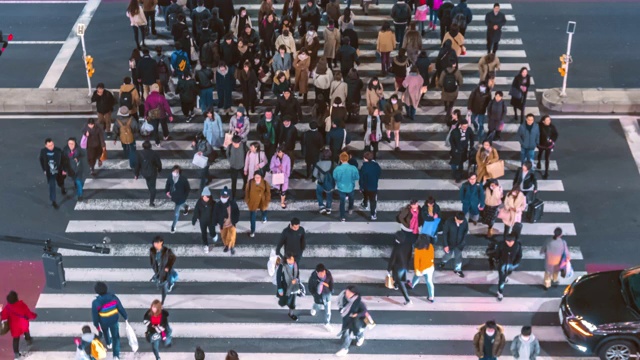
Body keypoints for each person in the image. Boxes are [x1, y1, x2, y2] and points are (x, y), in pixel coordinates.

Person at [91, 282, 128, 360]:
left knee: (105, 332)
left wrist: (97, 326)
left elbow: (95, 316)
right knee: (116, 337)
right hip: (114, 320)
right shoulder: (113, 298)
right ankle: (116, 355)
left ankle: (108, 343)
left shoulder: (96, 303)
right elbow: (120, 308)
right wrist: (125, 317)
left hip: (103, 321)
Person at [1, 291, 37, 360]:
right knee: (26, 331)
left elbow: (4, 316)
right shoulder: (22, 305)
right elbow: (28, 313)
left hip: (14, 326)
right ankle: (28, 340)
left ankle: (16, 353)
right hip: (23, 323)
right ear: (16, 298)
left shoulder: (7, 308)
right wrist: (34, 316)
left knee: (16, 339)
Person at [335, 285, 368, 357]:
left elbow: (364, 311)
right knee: (346, 333)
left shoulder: (358, 302)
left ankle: (360, 337)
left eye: (349, 293)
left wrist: (357, 315)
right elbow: (341, 306)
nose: (347, 294)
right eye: (347, 291)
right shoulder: (343, 298)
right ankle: (345, 348)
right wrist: (341, 310)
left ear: (354, 294)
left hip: (355, 321)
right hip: (347, 320)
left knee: (357, 332)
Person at [438, 212, 468, 277]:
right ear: (455, 218)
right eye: (459, 221)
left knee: (458, 257)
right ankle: (443, 262)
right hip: (450, 243)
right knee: (448, 255)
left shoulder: (464, 221)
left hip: (459, 244)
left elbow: (465, 231)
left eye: (461, 221)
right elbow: (445, 234)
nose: (460, 222)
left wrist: (462, 241)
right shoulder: (448, 222)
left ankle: (457, 269)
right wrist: (446, 245)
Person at [495, 232, 523, 301]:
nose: (510, 243)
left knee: (508, 272)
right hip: (502, 264)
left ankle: (506, 276)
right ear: (505, 241)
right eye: (508, 241)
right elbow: (497, 254)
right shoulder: (501, 245)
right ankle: (500, 292)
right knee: (501, 279)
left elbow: (519, 255)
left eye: (511, 241)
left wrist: (516, 262)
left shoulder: (517, 246)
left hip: (511, 264)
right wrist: (497, 260)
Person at [39, 138, 66, 209]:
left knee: (60, 181)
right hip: (50, 171)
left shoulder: (58, 150)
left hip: (58, 170)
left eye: (52, 145)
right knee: (52, 185)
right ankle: (53, 200)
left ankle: (62, 186)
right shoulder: (43, 151)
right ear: (46, 146)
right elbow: (41, 160)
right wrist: (44, 170)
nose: (51, 147)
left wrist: (64, 169)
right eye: (49, 146)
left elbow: (63, 160)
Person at [212, 186, 240, 254]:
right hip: (223, 224)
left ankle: (232, 246)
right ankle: (227, 245)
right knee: (224, 236)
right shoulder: (217, 205)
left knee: (232, 236)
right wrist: (215, 222)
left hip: (231, 223)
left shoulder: (232, 203)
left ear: (228, 197)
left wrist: (235, 220)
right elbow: (214, 214)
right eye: (223, 196)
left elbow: (237, 212)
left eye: (225, 197)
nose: (224, 198)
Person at [149, 236, 177, 304]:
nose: (155, 244)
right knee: (160, 280)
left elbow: (173, 258)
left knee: (164, 285)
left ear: (161, 243)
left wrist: (168, 266)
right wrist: (153, 266)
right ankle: (168, 283)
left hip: (165, 270)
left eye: (157, 243)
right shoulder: (152, 250)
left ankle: (163, 301)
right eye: (154, 243)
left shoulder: (167, 251)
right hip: (158, 269)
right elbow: (152, 259)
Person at [388, 231, 413, 305]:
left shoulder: (397, 248)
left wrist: (388, 269)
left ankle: (407, 299)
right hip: (405, 265)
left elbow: (392, 259)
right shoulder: (409, 244)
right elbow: (409, 256)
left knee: (400, 281)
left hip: (398, 267)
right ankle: (396, 284)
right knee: (402, 277)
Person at [333, 151, 359, 222]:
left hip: (341, 187)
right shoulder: (353, 168)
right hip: (350, 186)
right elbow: (357, 177)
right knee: (351, 198)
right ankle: (350, 208)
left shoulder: (337, 169)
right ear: (348, 159)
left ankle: (342, 217)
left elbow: (335, 177)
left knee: (342, 202)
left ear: (341, 159)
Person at [135, 140, 162, 207]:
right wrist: (159, 170)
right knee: (153, 187)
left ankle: (150, 190)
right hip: (152, 172)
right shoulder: (154, 153)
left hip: (144, 172)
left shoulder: (139, 153)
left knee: (148, 182)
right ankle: (151, 202)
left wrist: (136, 174)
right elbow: (158, 163)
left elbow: (137, 165)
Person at [408, 234, 435, 302]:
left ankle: (412, 285)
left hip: (421, 269)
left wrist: (417, 270)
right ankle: (431, 297)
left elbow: (416, 261)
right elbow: (432, 256)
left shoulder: (418, 249)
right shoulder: (431, 246)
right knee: (429, 282)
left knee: (416, 276)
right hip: (430, 267)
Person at [165, 165, 190, 233]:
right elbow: (168, 184)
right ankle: (186, 207)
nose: (174, 173)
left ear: (179, 172)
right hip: (174, 196)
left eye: (176, 171)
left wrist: (184, 197)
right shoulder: (170, 176)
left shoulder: (183, 179)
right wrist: (167, 191)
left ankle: (173, 226)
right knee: (181, 204)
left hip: (180, 197)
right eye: (174, 171)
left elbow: (187, 189)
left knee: (176, 213)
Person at [62, 137, 88, 202]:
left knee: (79, 181)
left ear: (75, 144)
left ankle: (80, 195)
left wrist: (78, 158)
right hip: (70, 169)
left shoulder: (78, 150)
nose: (70, 145)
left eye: (72, 144)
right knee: (75, 180)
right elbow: (63, 160)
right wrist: (64, 170)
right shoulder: (65, 150)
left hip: (78, 168)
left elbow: (83, 154)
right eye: (69, 143)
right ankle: (75, 184)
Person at [276, 252, 302, 321]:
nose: (291, 261)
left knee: (293, 301)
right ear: (286, 260)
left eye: (292, 259)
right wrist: (280, 289)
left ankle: (291, 313)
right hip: (285, 286)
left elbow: (298, 274)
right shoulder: (282, 267)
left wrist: (297, 281)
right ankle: (286, 303)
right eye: (289, 260)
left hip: (294, 287)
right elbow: (278, 278)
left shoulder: (296, 265)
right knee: (285, 300)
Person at [308, 263, 334, 331]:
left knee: (328, 311)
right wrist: (314, 294)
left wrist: (331, 290)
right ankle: (313, 308)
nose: (323, 274)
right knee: (317, 306)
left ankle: (327, 323)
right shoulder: (313, 278)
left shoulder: (328, 274)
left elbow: (331, 282)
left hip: (327, 294)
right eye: (321, 273)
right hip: (318, 296)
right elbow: (310, 287)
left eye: (323, 272)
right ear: (317, 272)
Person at [192, 187, 218, 253]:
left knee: (212, 232)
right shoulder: (199, 202)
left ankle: (214, 235)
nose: (205, 198)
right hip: (202, 221)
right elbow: (196, 211)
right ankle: (206, 245)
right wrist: (194, 219)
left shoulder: (213, 203)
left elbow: (216, 213)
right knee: (204, 233)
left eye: (207, 197)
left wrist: (216, 221)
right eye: (204, 196)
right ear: (202, 196)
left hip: (211, 221)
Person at [245, 172, 270, 237]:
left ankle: (264, 216)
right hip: (253, 202)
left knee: (263, 210)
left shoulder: (265, 183)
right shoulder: (250, 182)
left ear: (261, 177)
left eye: (259, 177)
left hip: (262, 200)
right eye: (256, 177)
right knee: (252, 217)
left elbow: (268, 192)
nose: (257, 179)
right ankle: (252, 231)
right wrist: (248, 201)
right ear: (253, 177)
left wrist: (267, 201)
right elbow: (247, 192)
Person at [358, 151, 381, 220]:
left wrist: (361, 187)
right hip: (373, 186)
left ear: (366, 159)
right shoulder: (376, 165)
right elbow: (379, 173)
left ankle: (365, 204)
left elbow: (361, 178)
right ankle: (373, 214)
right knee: (373, 200)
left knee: (365, 195)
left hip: (365, 186)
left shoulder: (364, 167)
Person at [313, 148, 335, 214]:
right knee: (329, 195)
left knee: (319, 193)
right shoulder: (333, 163)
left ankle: (321, 206)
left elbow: (314, 174)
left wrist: (318, 177)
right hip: (329, 182)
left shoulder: (318, 163)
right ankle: (328, 208)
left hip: (320, 182)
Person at [537, 115, 558, 179]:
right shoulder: (539, 126)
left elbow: (555, 134)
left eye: (549, 120)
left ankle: (546, 172)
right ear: (543, 121)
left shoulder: (552, 127)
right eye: (547, 120)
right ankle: (539, 162)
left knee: (547, 158)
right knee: (540, 153)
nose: (549, 121)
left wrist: (552, 139)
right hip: (541, 144)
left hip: (548, 145)